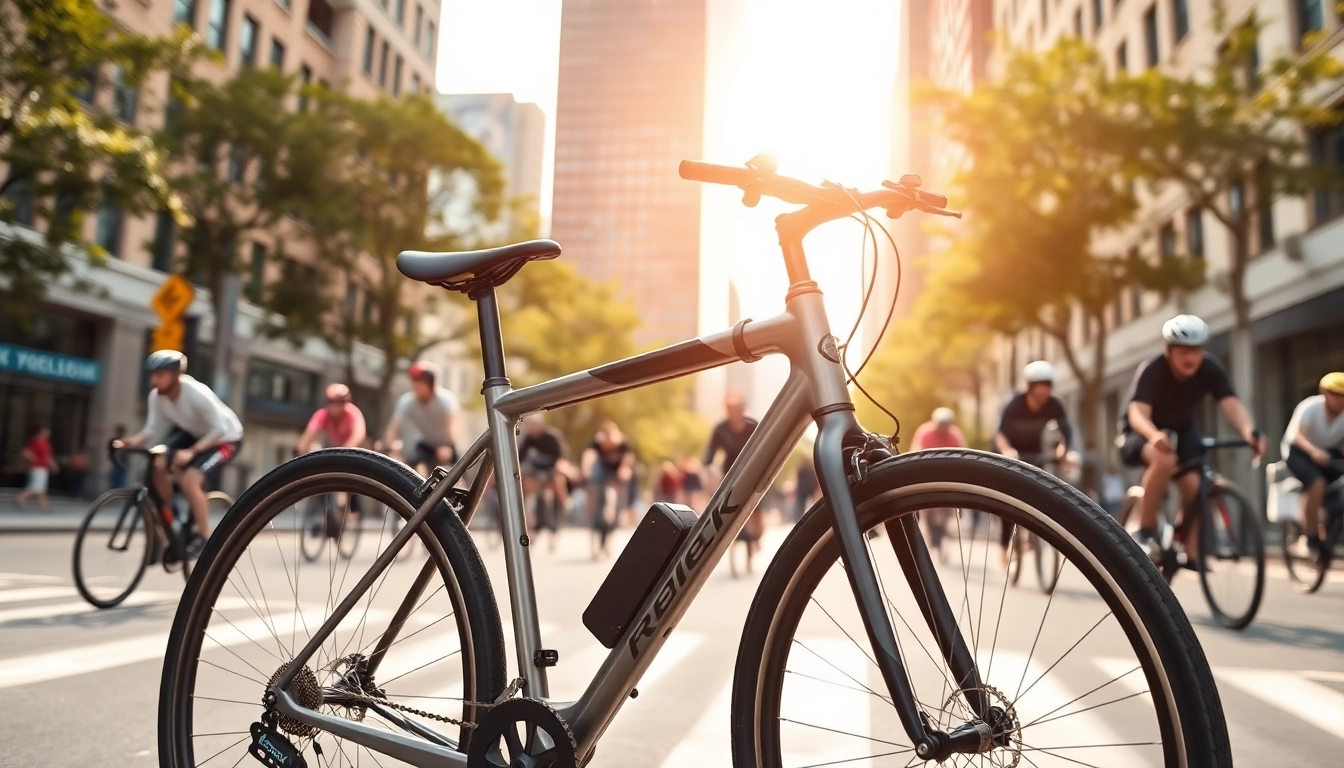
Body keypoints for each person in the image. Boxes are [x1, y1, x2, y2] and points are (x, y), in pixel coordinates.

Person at [1118, 315, 1264, 564]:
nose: (1190, 358)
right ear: (1169, 351)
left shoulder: (1210, 368)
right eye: (1183, 351)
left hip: (1182, 431)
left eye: (1196, 350)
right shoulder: (1153, 370)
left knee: (1196, 487)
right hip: (1139, 433)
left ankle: (1190, 551)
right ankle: (1146, 529)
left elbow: (1231, 404)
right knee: (1164, 459)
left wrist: (1249, 431)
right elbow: (1137, 414)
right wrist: (1154, 435)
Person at [114, 350, 243, 544]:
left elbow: (219, 429)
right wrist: (131, 441)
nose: (154, 380)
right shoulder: (156, 397)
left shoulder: (197, 393)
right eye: (152, 374)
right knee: (158, 462)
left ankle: (206, 536)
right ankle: (170, 515)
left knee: (191, 481)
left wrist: (192, 452)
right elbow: (152, 428)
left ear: (176, 375)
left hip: (225, 438)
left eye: (160, 375)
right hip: (194, 433)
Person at [993, 361, 1078, 567]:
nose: (1044, 391)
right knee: (1008, 502)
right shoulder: (1014, 404)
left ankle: (1034, 528)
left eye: (1048, 385)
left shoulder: (1055, 404)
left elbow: (1066, 430)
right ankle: (1004, 547)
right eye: (1040, 385)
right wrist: (1006, 451)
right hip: (1009, 451)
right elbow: (999, 433)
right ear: (1030, 386)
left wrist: (1063, 451)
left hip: (1034, 452)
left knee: (1040, 488)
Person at [1282, 372, 1344, 560]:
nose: (1340, 399)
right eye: (1336, 394)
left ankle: (1330, 532)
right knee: (1316, 482)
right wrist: (1313, 451)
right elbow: (1298, 436)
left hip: (1327, 452)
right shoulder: (1310, 407)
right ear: (1324, 393)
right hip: (1299, 450)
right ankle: (1309, 537)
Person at [704, 393, 762, 577]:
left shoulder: (754, 426)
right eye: (730, 411)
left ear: (743, 411)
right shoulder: (721, 429)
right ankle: (732, 553)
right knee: (730, 513)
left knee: (756, 513)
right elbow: (710, 454)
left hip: (754, 472)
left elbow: (764, 449)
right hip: (729, 474)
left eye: (736, 410)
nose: (733, 414)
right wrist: (708, 470)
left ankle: (756, 541)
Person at [911, 408, 967, 563]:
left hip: (947, 477)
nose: (943, 428)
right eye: (941, 424)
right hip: (927, 476)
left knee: (949, 506)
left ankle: (947, 526)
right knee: (926, 509)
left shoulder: (955, 436)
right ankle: (928, 533)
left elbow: (962, 457)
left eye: (946, 425)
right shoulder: (925, 433)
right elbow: (918, 455)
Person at [384, 361, 459, 475]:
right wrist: (390, 445)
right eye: (414, 382)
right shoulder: (407, 401)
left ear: (431, 383)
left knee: (457, 473)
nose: (416, 386)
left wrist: (448, 446)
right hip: (427, 443)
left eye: (420, 383)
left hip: (446, 444)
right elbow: (394, 427)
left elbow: (454, 427)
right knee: (411, 464)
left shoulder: (445, 400)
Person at [581, 420, 634, 559]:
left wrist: (624, 471)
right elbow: (588, 455)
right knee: (595, 482)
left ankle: (614, 514)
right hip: (602, 471)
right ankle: (591, 511)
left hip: (615, 473)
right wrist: (585, 470)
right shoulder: (597, 442)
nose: (609, 442)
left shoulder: (623, 443)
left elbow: (627, 461)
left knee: (614, 498)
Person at [519, 413, 570, 551]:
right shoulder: (527, 440)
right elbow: (519, 459)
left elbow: (561, 459)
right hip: (535, 474)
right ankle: (526, 514)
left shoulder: (552, 438)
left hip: (550, 473)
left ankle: (564, 505)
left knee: (558, 481)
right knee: (525, 485)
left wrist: (558, 469)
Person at [15, 425, 53, 511]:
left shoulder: (46, 443)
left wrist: (52, 464)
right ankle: (20, 497)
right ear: (40, 433)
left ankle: (44, 506)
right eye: (45, 432)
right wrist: (32, 458)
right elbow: (25, 451)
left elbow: (48, 456)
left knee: (40, 489)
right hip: (37, 467)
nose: (47, 434)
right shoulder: (36, 442)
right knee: (36, 488)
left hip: (43, 468)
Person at [107, 424, 128, 490]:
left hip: (122, 465)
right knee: (114, 482)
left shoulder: (125, 441)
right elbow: (111, 451)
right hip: (116, 464)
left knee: (120, 483)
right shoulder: (114, 441)